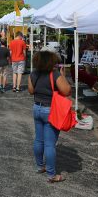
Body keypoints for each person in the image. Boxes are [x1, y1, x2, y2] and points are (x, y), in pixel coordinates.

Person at [28, 51, 71, 182]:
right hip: (50, 110)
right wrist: (63, 77)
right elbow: (67, 91)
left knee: (38, 140)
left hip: (37, 108)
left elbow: (31, 91)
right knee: (50, 144)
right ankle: (52, 175)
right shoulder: (55, 74)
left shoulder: (33, 74)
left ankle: (40, 166)